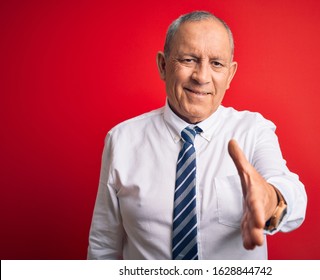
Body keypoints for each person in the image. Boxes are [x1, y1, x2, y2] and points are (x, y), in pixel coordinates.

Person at [87, 10, 307, 260]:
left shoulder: (253, 131)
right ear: (163, 65)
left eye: (216, 64)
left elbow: (292, 195)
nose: (202, 77)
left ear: (230, 74)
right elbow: (104, 243)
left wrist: (270, 200)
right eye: (188, 60)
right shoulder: (121, 140)